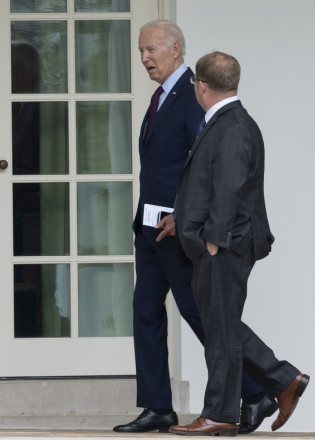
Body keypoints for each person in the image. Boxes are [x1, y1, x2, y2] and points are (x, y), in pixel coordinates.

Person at [113, 21, 276, 434]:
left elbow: (205, 165)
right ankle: (157, 407)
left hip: (176, 229)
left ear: (177, 49)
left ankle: (255, 393)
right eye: (140, 51)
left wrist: (182, 215)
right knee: (145, 312)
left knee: (204, 316)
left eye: (151, 50)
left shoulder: (195, 94)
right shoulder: (160, 96)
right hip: (149, 228)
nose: (145, 58)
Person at [169, 51, 309, 436]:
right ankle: (282, 381)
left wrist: (212, 242)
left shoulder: (231, 127)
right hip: (223, 242)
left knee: (222, 333)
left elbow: (228, 190)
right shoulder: (229, 122)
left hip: (225, 245)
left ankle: (220, 413)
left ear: (200, 85)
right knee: (223, 328)